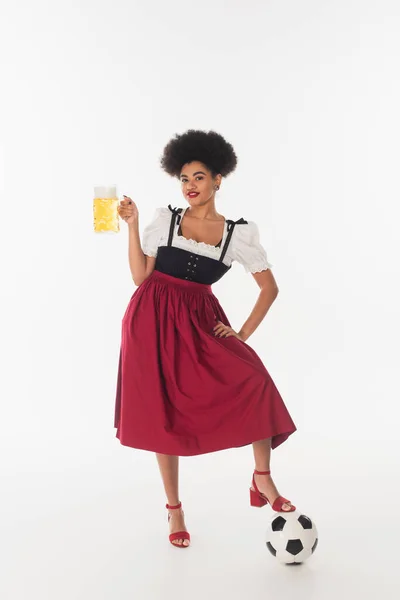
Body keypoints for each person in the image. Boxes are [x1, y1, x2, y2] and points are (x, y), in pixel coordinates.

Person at [114, 129, 297, 549]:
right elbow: (140, 276)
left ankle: (262, 476)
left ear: (218, 179)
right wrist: (133, 223)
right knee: (163, 415)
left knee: (253, 380)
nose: (190, 186)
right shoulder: (167, 220)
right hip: (150, 318)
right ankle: (174, 509)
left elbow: (269, 288)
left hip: (199, 321)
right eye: (183, 178)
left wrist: (243, 334)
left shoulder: (238, 234)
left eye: (198, 177)